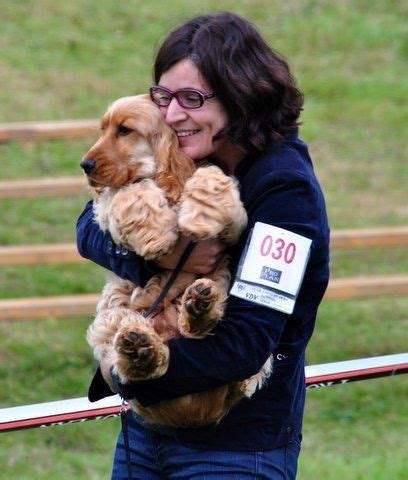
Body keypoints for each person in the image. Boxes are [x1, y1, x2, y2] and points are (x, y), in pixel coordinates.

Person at [76, 11, 330, 479]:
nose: (172, 115)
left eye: (191, 99)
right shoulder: (190, 151)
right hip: (145, 438)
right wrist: (161, 254)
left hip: (234, 448)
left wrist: (129, 376)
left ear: (241, 96)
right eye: (164, 97)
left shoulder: (285, 192)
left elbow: (246, 345)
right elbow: (88, 227)